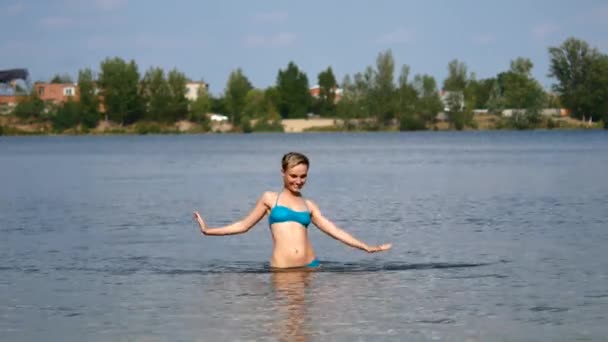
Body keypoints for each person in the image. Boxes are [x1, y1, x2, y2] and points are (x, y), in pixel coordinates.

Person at [193, 152, 392, 269]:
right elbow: (243, 225)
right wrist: (208, 230)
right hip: (283, 270)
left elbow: (335, 231)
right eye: (293, 175)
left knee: (306, 326)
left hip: (311, 266)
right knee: (286, 326)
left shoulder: (309, 205)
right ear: (283, 173)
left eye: (303, 176)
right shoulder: (270, 199)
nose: (298, 181)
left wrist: (365, 247)